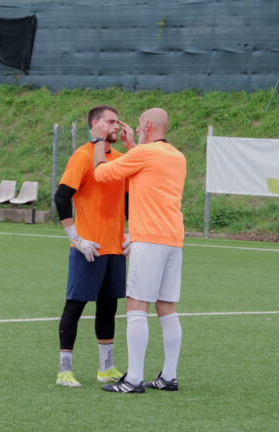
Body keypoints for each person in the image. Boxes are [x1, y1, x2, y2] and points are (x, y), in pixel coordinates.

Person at [91, 107, 187, 394]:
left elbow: (102, 173)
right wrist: (133, 144)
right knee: (167, 307)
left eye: (138, 124)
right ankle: (169, 375)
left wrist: (98, 141)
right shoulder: (177, 157)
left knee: (136, 306)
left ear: (146, 125)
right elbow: (145, 170)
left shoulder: (144, 155)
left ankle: (133, 378)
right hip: (173, 240)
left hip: (149, 239)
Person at [53, 105, 136, 387]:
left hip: (115, 249)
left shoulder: (120, 159)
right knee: (75, 306)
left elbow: (128, 202)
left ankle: (106, 368)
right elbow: (62, 196)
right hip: (89, 248)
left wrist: (130, 234)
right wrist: (75, 238)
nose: (117, 125)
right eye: (111, 121)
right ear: (95, 125)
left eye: (117, 120)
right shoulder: (83, 156)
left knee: (108, 308)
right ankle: (65, 370)